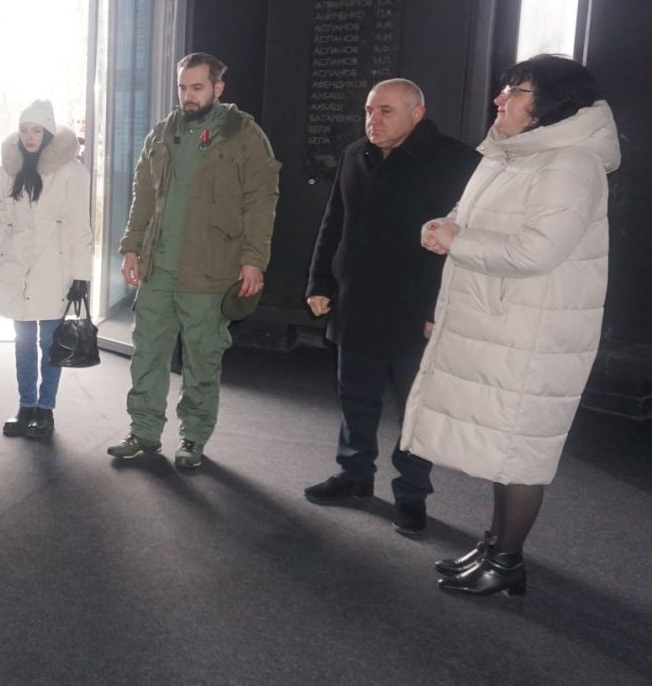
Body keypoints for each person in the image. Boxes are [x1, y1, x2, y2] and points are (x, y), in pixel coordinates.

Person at [403, 55, 618, 597]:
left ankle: (507, 562)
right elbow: (468, 215)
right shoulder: (509, 153)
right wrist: (445, 227)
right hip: (507, 323)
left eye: (516, 90)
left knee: (521, 455)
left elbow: (537, 251)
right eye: (505, 88)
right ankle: (494, 545)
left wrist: (458, 240)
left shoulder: (570, 162)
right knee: (504, 448)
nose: (500, 99)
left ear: (552, 102)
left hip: (535, 334)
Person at [302, 79, 479, 535]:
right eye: (369, 111)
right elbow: (333, 222)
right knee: (355, 399)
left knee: (415, 409)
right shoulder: (354, 155)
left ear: (417, 114)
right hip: (355, 301)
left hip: (414, 309)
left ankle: (411, 496)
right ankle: (354, 476)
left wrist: (438, 310)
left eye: (385, 111)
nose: (373, 120)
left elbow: (466, 243)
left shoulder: (456, 161)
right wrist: (320, 281)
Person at [108, 53, 280, 469]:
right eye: (182, 87)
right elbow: (143, 195)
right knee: (148, 352)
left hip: (210, 270)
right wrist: (131, 246)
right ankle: (143, 431)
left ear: (218, 88)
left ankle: (194, 436)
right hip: (158, 268)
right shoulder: (162, 134)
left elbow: (262, 202)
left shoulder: (244, 135)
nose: (187, 96)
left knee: (202, 358)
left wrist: (254, 260)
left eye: (197, 87)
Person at [0, 100, 92, 440]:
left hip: (55, 268)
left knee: (50, 342)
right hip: (16, 267)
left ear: (48, 132)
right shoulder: (9, 169)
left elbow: (80, 227)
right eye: (24, 130)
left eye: (36, 130)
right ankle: (26, 405)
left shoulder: (72, 172)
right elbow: (2, 222)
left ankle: (45, 408)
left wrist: (82, 276)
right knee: (22, 342)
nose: (29, 137)